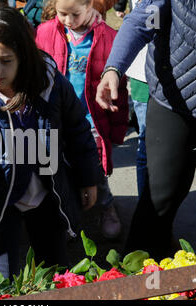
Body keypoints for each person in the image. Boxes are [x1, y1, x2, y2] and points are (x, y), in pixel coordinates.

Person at [0, 6, 101, 278]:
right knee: (1, 282)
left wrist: (89, 178)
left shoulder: (50, 85)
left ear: (24, 56)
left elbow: (78, 130)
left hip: (47, 198)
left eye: (6, 60)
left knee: (54, 275)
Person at [96, 0, 196, 259]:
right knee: (160, 195)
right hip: (179, 96)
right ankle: (140, 279)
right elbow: (142, 20)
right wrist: (113, 69)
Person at [35, 0, 128, 240]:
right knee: (60, 170)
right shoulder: (45, 32)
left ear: (90, 5)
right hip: (57, 118)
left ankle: (106, 206)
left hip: (91, 119)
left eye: (74, 14)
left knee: (95, 170)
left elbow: (121, 89)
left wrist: (118, 128)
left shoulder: (108, 37)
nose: (67, 20)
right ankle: (65, 215)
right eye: (61, 13)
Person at [112, 0, 149, 198]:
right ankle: (147, 208)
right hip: (144, 74)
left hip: (184, 74)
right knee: (146, 142)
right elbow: (135, 26)